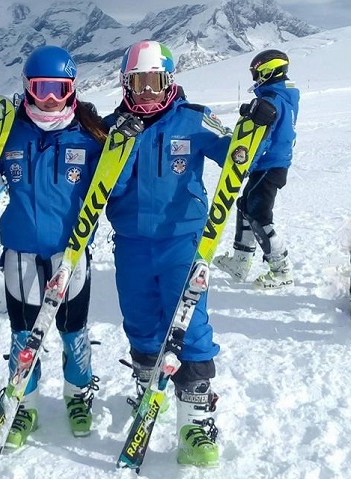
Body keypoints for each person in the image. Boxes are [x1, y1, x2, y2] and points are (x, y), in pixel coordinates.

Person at [102, 40, 273, 467]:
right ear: (126, 84)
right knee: (140, 320)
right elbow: (97, 185)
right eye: (138, 82)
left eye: (155, 82)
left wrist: (257, 131)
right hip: (132, 243)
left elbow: (240, 157)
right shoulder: (113, 127)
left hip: (183, 242)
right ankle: (147, 387)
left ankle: (196, 421)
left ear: (169, 81)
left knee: (190, 325)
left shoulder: (194, 120)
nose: (147, 92)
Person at [0, 45, 106, 449]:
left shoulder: (91, 135)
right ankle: (24, 403)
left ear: (72, 88)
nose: (50, 99)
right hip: (20, 250)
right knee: (24, 333)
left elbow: (116, 181)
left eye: (59, 89)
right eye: (40, 89)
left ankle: (78, 396)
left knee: (72, 330)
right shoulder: (10, 132)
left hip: (70, 251)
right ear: (27, 87)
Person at [213, 49, 299, 289]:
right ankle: (240, 262)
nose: (255, 79)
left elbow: (263, 138)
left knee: (259, 214)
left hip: (270, 165)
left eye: (256, 73)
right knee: (245, 205)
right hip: (271, 164)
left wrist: (243, 162)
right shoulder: (282, 96)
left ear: (268, 70)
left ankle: (281, 269)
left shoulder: (271, 101)